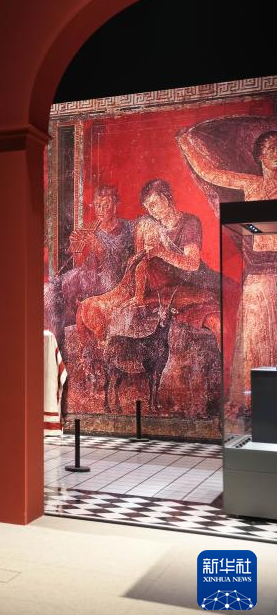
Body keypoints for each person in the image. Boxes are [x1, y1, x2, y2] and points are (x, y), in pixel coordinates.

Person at [179, 128, 277, 411]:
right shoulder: (252, 185)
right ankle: (255, 404)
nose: (276, 153)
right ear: (259, 156)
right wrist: (186, 142)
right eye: (270, 148)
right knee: (256, 338)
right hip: (258, 276)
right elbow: (211, 173)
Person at [76, 178, 220, 346]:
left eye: (154, 204)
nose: (151, 211)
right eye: (148, 207)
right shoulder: (149, 224)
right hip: (163, 285)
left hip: (193, 281)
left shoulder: (189, 223)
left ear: (165, 199)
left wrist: (160, 252)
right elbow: (139, 258)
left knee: (213, 320)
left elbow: (192, 264)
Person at [44, 185, 135, 351]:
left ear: (115, 204)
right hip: (87, 276)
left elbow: (119, 264)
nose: (101, 210)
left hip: (112, 280)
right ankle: (56, 343)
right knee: (51, 290)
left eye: (106, 205)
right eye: (98, 205)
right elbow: (80, 261)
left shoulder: (127, 229)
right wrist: (78, 247)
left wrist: (99, 247)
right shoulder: (91, 228)